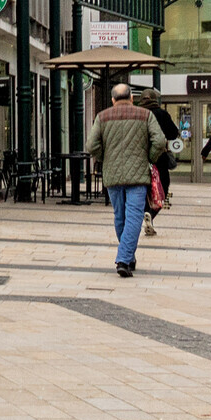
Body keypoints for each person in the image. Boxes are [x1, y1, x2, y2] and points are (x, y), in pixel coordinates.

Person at [85, 84, 165, 278]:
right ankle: (124, 259)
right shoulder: (145, 115)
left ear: (113, 99)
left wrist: (105, 157)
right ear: (131, 98)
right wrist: (150, 157)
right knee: (134, 216)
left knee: (120, 216)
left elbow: (91, 145)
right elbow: (160, 141)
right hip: (138, 175)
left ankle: (128, 256)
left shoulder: (102, 117)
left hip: (112, 175)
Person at [134, 90, 181, 235]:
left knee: (141, 190)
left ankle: (145, 214)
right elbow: (173, 133)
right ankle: (151, 213)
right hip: (159, 158)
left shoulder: (136, 115)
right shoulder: (162, 114)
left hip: (138, 157)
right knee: (162, 189)